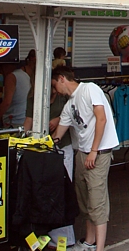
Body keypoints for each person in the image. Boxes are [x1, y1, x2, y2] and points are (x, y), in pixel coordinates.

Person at [51, 66, 119, 251]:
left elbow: (101, 118)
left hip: (98, 152)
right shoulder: (69, 105)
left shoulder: (90, 89)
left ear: (61, 78)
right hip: (82, 152)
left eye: (55, 85)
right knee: (85, 198)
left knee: (97, 199)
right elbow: (59, 133)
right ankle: (89, 242)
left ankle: (99, 247)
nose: (55, 90)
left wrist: (94, 150)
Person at [24, 82, 75, 249]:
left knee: (62, 189)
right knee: (43, 191)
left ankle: (63, 237)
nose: (53, 92)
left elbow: (71, 116)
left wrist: (58, 119)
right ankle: (43, 233)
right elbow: (28, 123)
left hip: (61, 147)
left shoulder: (63, 99)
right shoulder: (33, 100)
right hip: (41, 150)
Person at [0, 49, 36, 129]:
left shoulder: (12, 77)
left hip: (14, 123)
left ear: (5, 66)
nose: (0, 72)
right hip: (31, 122)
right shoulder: (35, 75)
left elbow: (7, 102)